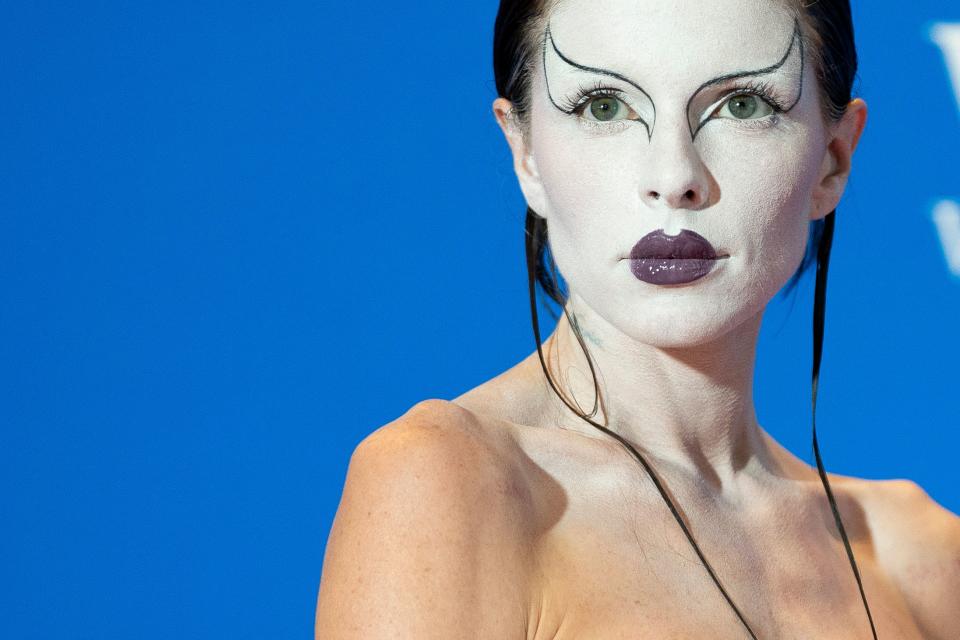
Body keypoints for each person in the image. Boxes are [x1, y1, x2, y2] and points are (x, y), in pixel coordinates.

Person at [315, 0, 960, 637]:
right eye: (604, 107)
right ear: (525, 155)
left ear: (834, 157)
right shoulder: (446, 483)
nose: (674, 177)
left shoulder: (919, 552)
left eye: (742, 106)